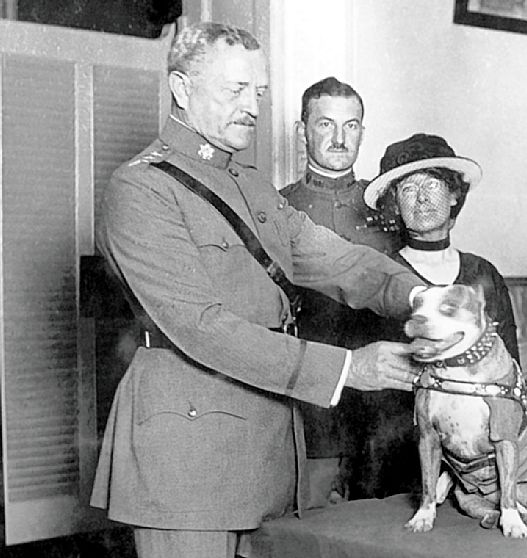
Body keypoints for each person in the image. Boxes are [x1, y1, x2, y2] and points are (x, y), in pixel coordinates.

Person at [89, 22, 425, 558]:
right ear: (181, 89)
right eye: (235, 90)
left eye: (260, 92)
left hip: (267, 452)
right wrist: (348, 369)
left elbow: (334, 257)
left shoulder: (252, 185)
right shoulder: (140, 189)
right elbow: (203, 329)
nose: (252, 106)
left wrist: (420, 297)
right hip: (188, 468)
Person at [361, 132, 520, 497]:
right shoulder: (378, 276)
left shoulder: (483, 275)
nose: (421, 197)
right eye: (407, 188)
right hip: (398, 464)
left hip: (479, 470)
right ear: (394, 204)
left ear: (453, 195)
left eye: (432, 184)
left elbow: (511, 377)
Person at [280, 77, 403, 505]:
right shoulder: (277, 210)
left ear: (363, 133)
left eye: (350, 126)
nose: (338, 138)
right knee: (312, 526)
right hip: (312, 404)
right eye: (326, 124)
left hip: (385, 406)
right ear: (302, 131)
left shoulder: (389, 210)